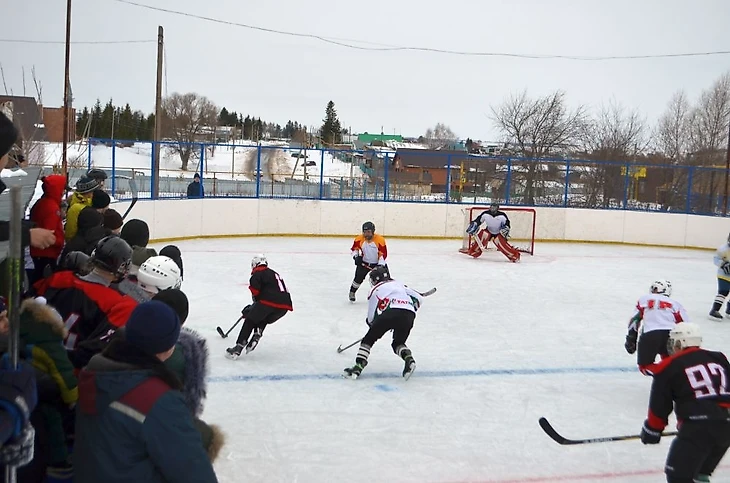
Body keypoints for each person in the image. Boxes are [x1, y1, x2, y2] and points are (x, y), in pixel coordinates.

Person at [74, 301, 218, 483]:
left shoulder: (95, 371)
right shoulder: (157, 398)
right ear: (168, 347)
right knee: (203, 434)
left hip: (92, 473)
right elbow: (193, 471)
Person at [639, 322, 730, 483]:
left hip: (697, 428)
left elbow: (660, 406)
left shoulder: (668, 365)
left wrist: (652, 430)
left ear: (680, 342)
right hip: (726, 427)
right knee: (700, 474)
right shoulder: (719, 358)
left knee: (678, 477)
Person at [32, 235, 138, 369]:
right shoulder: (115, 303)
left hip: (35, 358)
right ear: (122, 267)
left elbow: (28, 304)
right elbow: (97, 348)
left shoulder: (58, 279)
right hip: (70, 371)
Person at [344, 265, 422, 380]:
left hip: (390, 313)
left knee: (368, 340)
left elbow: (371, 318)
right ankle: (409, 359)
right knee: (398, 343)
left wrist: (374, 325)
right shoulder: (400, 285)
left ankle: (359, 365)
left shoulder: (376, 289)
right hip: (409, 314)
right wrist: (409, 307)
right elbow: (419, 298)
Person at [226, 254, 293, 359]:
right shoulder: (274, 273)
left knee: (250, 320)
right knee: (262, 317)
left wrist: (251, 310)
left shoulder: (257, 275)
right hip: (284, 307)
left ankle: (238, 348)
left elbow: (256, 295)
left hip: (268, 302)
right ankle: (257, 333)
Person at [625, 279, 689, 376]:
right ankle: (672, 378)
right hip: (671, 335)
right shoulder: (675, 304)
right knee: (670, 363)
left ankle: (663, 377)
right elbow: (686, 325)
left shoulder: (644, 299)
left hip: (650, 334)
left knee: (645, 367)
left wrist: (631, 338)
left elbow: (634, 320)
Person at [28, 174, 68, 283]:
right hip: (46, 253)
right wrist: (60, 241)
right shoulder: (51, 207)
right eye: (63, 189)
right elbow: (48, 233)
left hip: (41, 252)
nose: (64, 192)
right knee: (43, 283)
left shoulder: (44, 203)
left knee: (38, 280)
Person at [348, 221, 388, 302]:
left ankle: (384, 296)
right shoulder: (359, 239)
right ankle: (352, 292)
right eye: (365, 232)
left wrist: (380, 266)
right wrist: (356, 257)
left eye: (369, 232)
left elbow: (383, 254)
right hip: (364, 263)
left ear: (373, 231)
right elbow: (354, 249)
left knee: (384, 280)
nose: (366, 234)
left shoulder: (380, 240)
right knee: (358, 279)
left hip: (377, 264)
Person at [64, 176, 101, 241]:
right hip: (78, 245)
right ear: (89, 193)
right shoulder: (75, 209)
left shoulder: (89, 202)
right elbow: (70, 233)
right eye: (94, 191)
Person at [709, 232, 730, 320]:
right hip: (723, 275)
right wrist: (723, 264)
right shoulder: (723, 249)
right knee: (723, 291)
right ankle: (714, 310)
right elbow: (716, 259)